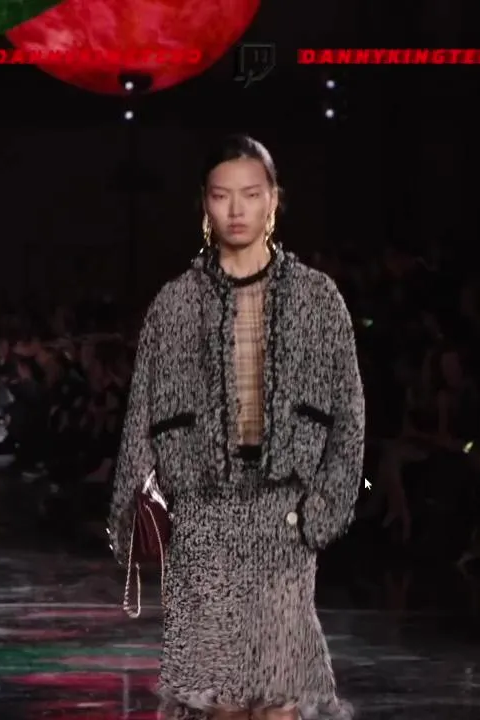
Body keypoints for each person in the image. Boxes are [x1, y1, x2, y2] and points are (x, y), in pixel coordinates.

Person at [109, 135, 363, 720]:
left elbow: (349, 415)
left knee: (279, 699)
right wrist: (132, 510)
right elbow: (141, 412)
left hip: (284, 516)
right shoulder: (175, 304)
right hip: (203, 516)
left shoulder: (318, 299)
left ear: (274, 199)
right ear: (205, 203)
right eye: (222, 195)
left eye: (251, 194)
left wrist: (325, 507)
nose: (237, 209)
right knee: (219, 702)